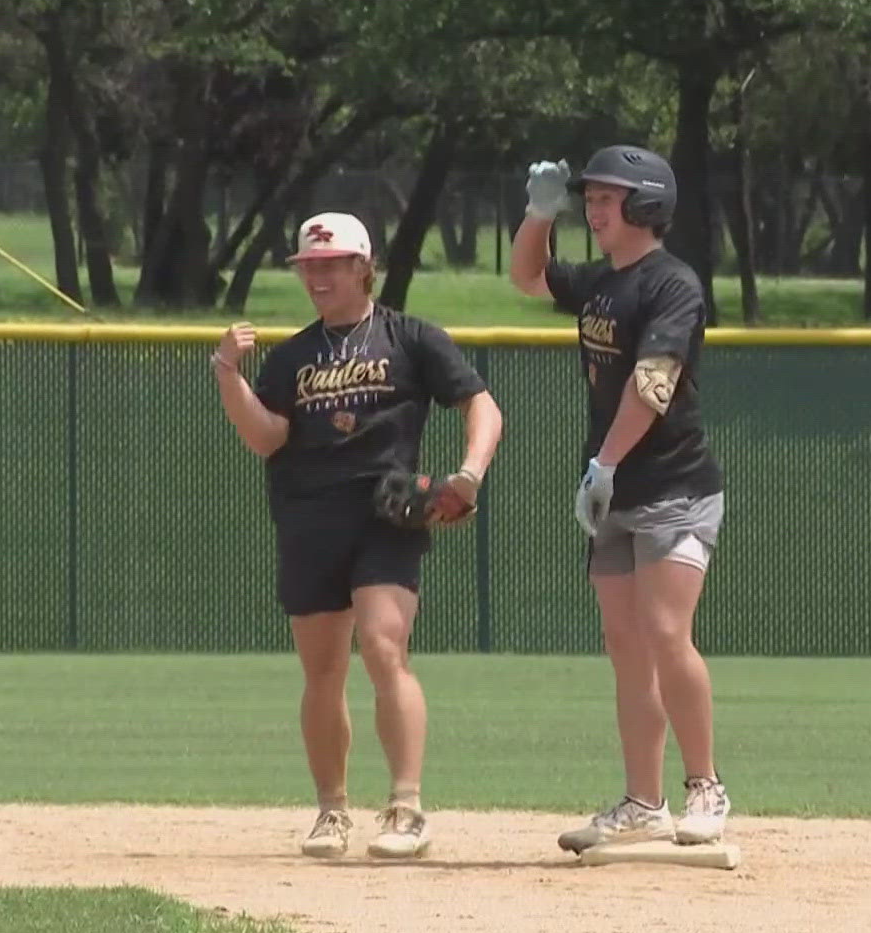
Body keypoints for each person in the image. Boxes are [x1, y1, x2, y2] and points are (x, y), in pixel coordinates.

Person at [214, 211, 503, 860]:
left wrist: (468, 475)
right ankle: (332, 810)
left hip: (385, 512)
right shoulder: (291, 356)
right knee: (322, 670)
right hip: (308, 516)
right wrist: (229, 375)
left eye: (330, 263)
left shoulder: (411, 338)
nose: (316, 275)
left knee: (382, 646)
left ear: (361, 267)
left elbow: (481, 405)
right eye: (308, 265)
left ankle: (405, 806)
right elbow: (266, 438)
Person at [507, 145, 730, 853]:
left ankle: (706, 789)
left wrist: (602, 464)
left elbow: (653, 385)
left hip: (674, 488)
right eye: (590, 198)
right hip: (613, 489)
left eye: (606, 198)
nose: (594, 209)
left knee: (667, 635)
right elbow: (527, 278)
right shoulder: (603, 282)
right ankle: (643, 802)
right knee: (626, 645)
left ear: (645, 205)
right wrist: (538, 215)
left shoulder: (673, 285)